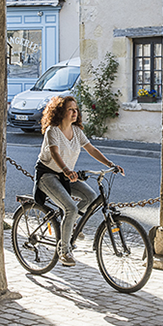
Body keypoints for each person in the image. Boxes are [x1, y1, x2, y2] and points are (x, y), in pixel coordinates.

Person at [35, 95, 123, 266]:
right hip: (48, 175)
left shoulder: (76, 132)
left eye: (76, 110)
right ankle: (64, 250)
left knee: (90, 197)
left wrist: (111, 164)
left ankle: (71, 224)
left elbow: (91, 149)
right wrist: (67, 170)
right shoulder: (53, 131)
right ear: (61, 112)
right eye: (70, 109)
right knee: (70, 207)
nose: (75, 113)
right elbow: (55, 153)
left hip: (66, 176)